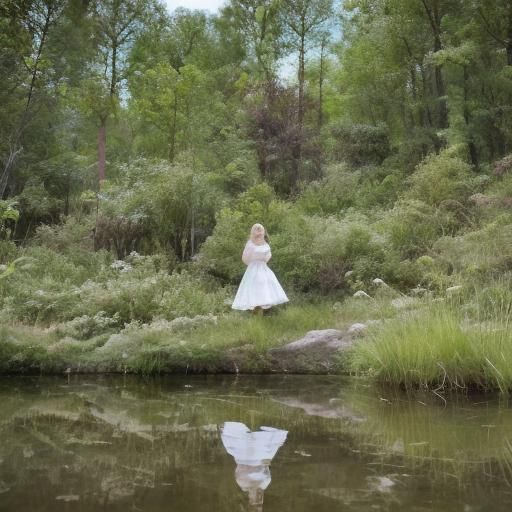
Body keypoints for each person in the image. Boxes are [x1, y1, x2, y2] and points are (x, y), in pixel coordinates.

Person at [231, 223, 289, 314]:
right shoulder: (250, 243)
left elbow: (268, 256)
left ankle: (266, 313)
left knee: (266, 287)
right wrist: (254, 261)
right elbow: (245, 258)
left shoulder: (265, 243)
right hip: (253, 268)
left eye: (260, 230)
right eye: (256, 230)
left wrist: (262, 260)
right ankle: (255, 313)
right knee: (254, 288)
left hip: (263, 267)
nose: (258, 232)